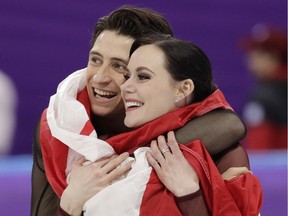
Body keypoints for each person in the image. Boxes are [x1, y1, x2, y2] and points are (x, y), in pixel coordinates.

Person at [31, 6, 246, 216]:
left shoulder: (209, 138)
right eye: (95, 60)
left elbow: (230, 125)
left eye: (120, 67)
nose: (99, 78)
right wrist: (71, 202)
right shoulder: (59, 129)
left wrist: (190, 195)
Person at [240, 24, 287, 149]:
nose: (250, 61)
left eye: (257, 55)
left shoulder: (262, 98)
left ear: (274, 57)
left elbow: (258, 149)